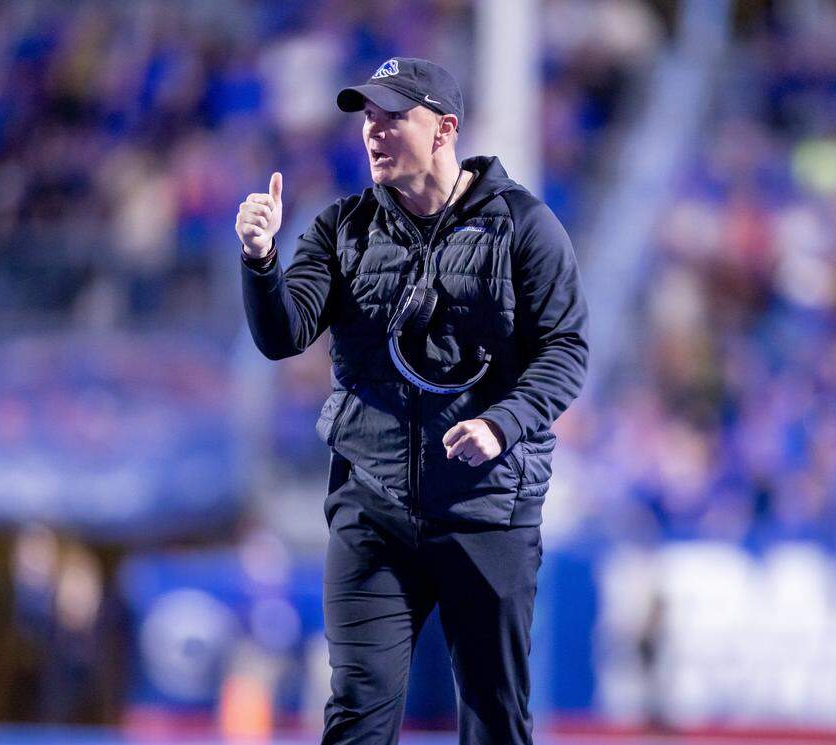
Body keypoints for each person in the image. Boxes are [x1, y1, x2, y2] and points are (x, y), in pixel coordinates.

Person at [236, 57, 588, 745]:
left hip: (487, 509)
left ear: (443, 129)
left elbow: (566, 351)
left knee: (495, 718)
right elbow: (284, 335)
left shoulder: (524, 226)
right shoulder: (340, 229)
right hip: (373, 510)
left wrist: (502, 422)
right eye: (367, 118)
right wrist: (260, 262)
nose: (373, 132)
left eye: (393, 117)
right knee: (357, 715)